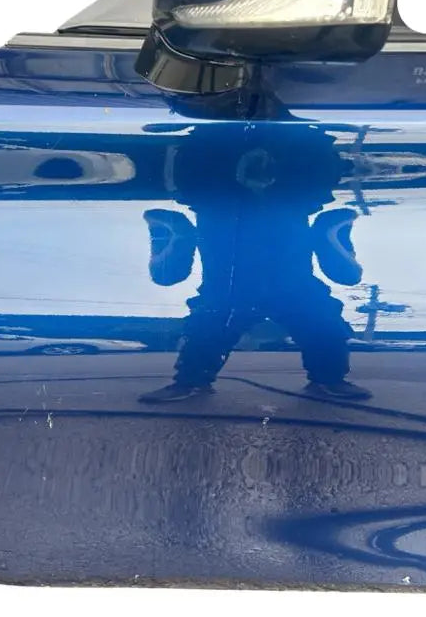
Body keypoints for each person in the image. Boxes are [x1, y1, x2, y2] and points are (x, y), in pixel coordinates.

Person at [138, 119, 371, 404]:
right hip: (261, 250)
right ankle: (328, 378)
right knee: (307, 314)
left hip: (246, 251)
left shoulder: (218, 170)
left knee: (219, 316)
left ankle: (191, 381)